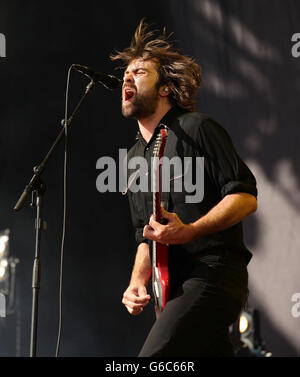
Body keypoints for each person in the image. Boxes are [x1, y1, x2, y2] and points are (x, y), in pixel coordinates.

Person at [111, 19, 258, 357]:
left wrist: (191, 230)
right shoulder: (133, 157)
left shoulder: (197, 128)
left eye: (139, 73)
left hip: (212, 274)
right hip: (171, 288)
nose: (127, 79)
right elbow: (146, 237)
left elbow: (245, 196)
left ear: (165, 89)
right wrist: (137, 282)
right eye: (124, 75)